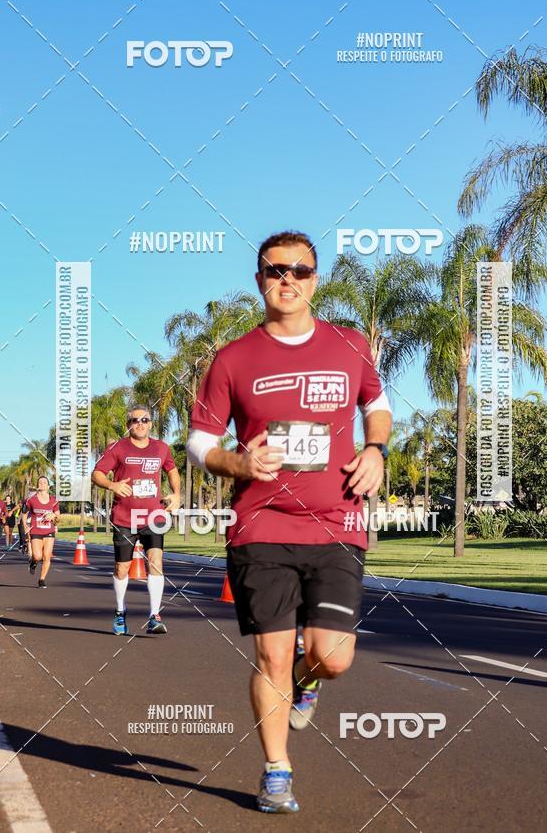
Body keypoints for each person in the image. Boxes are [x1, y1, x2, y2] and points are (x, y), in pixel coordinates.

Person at [186, 230, 392, 813]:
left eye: (300, 271)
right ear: (259, 280)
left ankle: (307, 680)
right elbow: (201, 443)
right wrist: (239, 460)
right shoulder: (234, 359)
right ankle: (277, 770)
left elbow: (375, 407)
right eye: (276, 270)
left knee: (334, 657)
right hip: (261, 525)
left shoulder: (350, 346)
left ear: (314, 279)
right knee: (271, 656)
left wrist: (375, 451)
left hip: (337, 523)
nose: (288, 280)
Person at [92, 405, 181, 636]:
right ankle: (120, 611)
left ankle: (154, 615)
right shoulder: (118, 448)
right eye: (134, 420)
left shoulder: (161, 448)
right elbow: (97, 473)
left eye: (144, 419)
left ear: (151, 423)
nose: (140, 423)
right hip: (124, 517)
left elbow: (171, 470)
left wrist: (177, 493)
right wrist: (112, 485)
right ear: (128, 425)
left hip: (153, 516)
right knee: (123, 569)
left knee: (155, 561)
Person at [24, 476, 60, 588]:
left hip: (49, 531)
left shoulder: (54, 501)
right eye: (40, 482)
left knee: (46, 556)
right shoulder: (31, 500)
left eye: (45, 482)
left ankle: (42, 580)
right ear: (38, 486)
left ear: (48, 486)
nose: (42, 484)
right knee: (38, 555)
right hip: (35, 530)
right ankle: (34, 562)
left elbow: (58, 517)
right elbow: (24, 513)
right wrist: (25, 525)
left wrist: (53, 515)